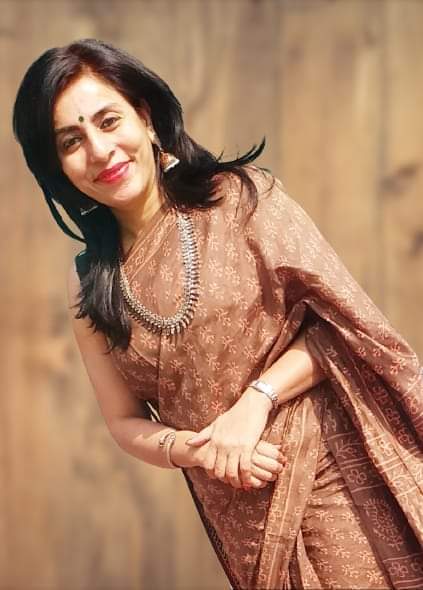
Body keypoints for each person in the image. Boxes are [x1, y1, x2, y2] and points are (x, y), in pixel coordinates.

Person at [13, 38, 423, 590]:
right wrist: (198, 450)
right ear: (57, 167)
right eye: (72, 141)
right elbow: (124, 421)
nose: (100, 150)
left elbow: (343, 323)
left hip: (337, 477)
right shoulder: (88, 281)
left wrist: (257, 401)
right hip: (239, 509)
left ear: (146, 117)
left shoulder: (241, 198)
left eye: (109, 121)